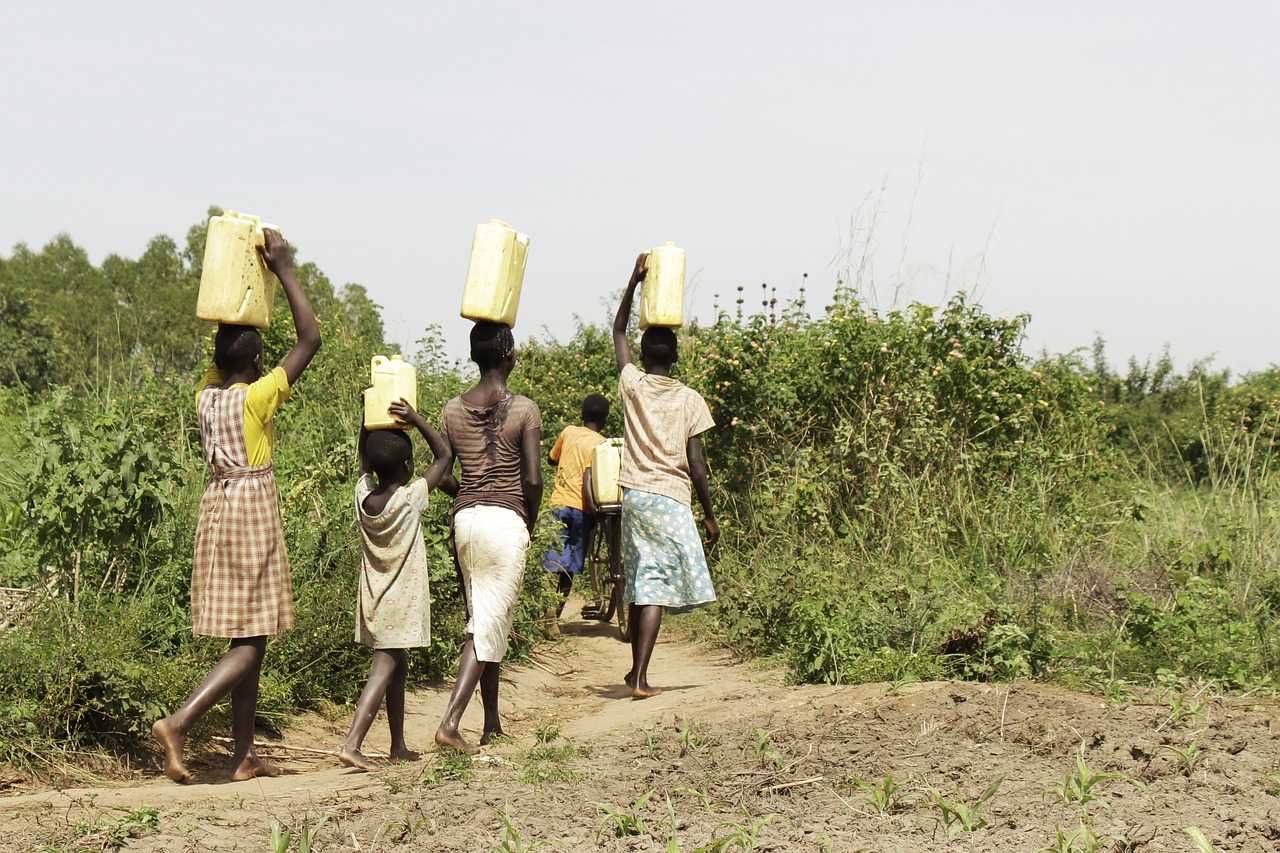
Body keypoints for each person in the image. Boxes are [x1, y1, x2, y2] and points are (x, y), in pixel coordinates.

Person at [153, 229, 321, 783]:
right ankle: (179, 722)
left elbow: (222, 351)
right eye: (260, 352)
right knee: (253, 639)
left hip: (218, 509)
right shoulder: (257, 397)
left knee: (245, 634)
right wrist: (285, 270)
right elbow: (310, 338)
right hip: (251, 510)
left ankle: (243, 753)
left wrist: (235, 287)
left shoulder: (206, 395)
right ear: (255, 359)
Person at [612, 252, 719, 699]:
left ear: (642, 354)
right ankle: (639, 677)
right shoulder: (691, 399)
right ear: (675, 355)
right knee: (652, 584)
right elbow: (696, 465)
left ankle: (632, 672)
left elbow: (617, 330)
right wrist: (710, 514)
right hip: (671, 498)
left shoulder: (632, 384)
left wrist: (633, 282)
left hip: (635, 496)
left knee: (641, 581)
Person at [434, 321, 542, 753]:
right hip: (504, 521)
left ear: (474, 357)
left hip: (466, 522)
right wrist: (527, 520)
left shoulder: (451, 410)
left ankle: (492, 721)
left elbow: (441, 470)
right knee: (487, 623)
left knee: (484, 618)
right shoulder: (524, 410)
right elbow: (532, 479)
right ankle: (450, 721)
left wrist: (466, 494)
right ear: (511, 355)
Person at [338, 400, 453, 772]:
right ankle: (352, 744)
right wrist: (416, 419)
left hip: (375, 600)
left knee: (396, 668)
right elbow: (445, 456)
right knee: (382, 670)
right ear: (407, 467)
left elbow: (361, 460)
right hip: (400, 603)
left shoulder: (363, 499)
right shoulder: (409, 498)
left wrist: (367, 418)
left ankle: (397, 745)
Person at [543, 393, 611, 609]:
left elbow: (552, 459)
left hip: (559, 504)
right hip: (583, 510)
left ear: (581, 414)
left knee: (552, 561)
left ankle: (546, 610)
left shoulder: (568, 432)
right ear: (606, 419)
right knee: (571, 565)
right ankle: (557, 609)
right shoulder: (603, 445)